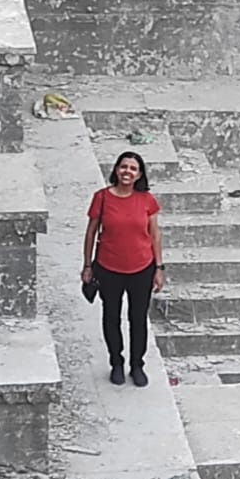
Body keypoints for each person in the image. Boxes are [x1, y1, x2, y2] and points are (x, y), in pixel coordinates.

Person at [81, 151, 165, 387]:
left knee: (138, 319)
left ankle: (137, 365)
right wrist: (87, 265)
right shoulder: (102, 198)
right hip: (108, 268)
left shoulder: (147, 200)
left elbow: (155, 235)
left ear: (139, 174)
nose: (127, 171)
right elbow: (91, 233)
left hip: (142, 269)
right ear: (116, 170)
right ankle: (116, 363)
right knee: (111, 317)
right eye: (123, 167)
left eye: (133, 168)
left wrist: (159, 268)